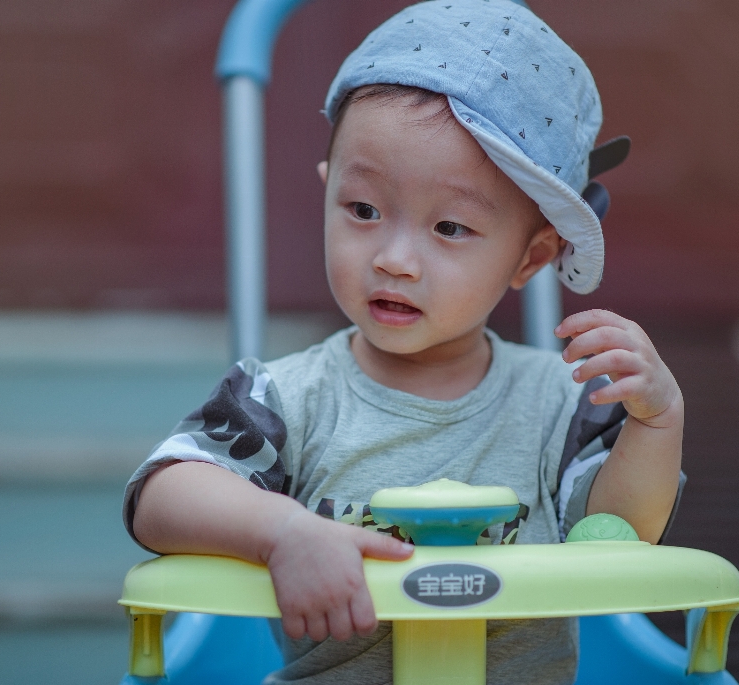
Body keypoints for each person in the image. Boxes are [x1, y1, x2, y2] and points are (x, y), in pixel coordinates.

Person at [123, 2, 684, 683]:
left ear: (530, 259)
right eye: (363, 210)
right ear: (328, 195)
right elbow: (160, 494)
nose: (394, 258)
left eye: (449, 228)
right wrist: (281, 530)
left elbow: (620, 531)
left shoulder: (560, 403)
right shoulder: (285, 398)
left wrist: (656, 423)